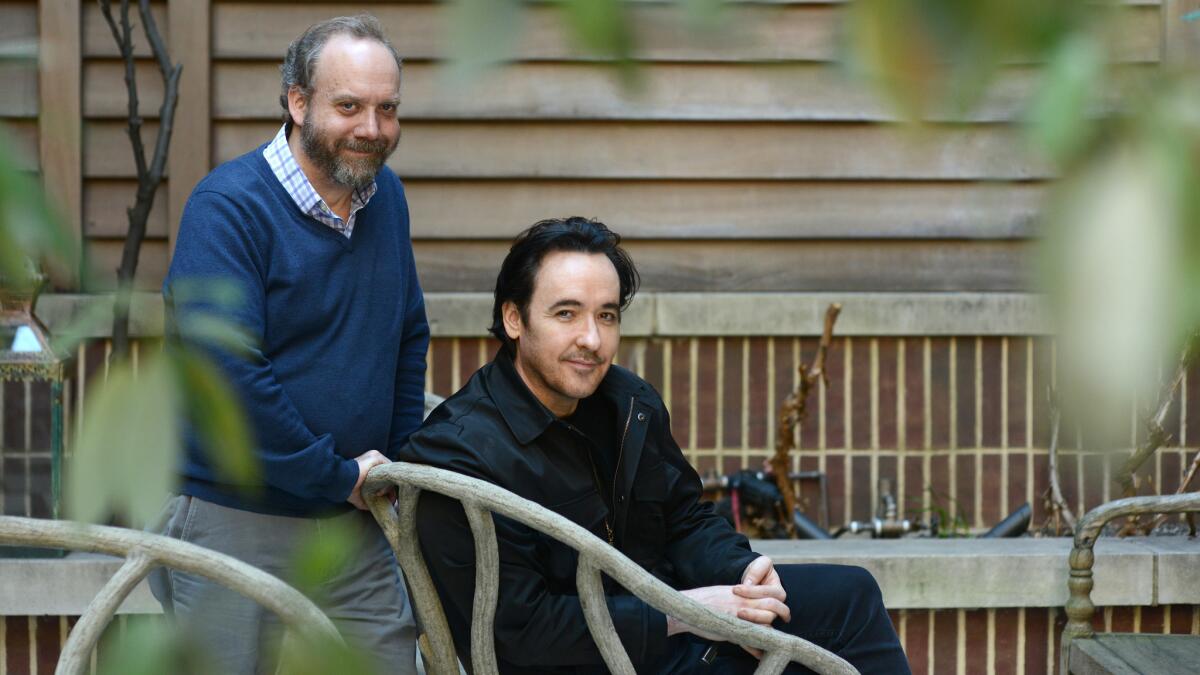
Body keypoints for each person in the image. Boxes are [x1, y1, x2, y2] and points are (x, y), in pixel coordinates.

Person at [399, 217, 910, 674]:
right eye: (566, 314)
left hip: (664, 634)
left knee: (848, 598)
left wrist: (743, 574)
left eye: (606, 316)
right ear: (515, 320)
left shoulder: (626, 402)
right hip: (587, 658)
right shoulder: (457, 456)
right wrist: (686, 613)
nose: (592, 340)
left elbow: (684, 518)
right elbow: (517, 630)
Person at [154, 14, 426, 674]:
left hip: (354, 517)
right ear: (298, 102)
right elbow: (227, 375)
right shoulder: (226, 208)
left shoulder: (383, 195)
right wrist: (339, 475)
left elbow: (407, 333)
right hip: (233, 514)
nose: (372, 127)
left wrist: (395, 464)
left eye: (387, 108)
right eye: (350, 106)